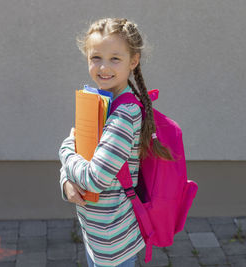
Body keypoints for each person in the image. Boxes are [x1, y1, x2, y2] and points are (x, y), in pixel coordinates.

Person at [58, 18, 171, 267]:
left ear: (133, 61)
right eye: (96, 57)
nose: (103, 67)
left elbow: (95, 179)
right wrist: (66, 180)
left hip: (113, 240)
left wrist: (64, 150)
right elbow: (82, 155)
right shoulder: (101, 103)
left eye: (115, 59)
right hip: (98, 234)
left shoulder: (124, 115)